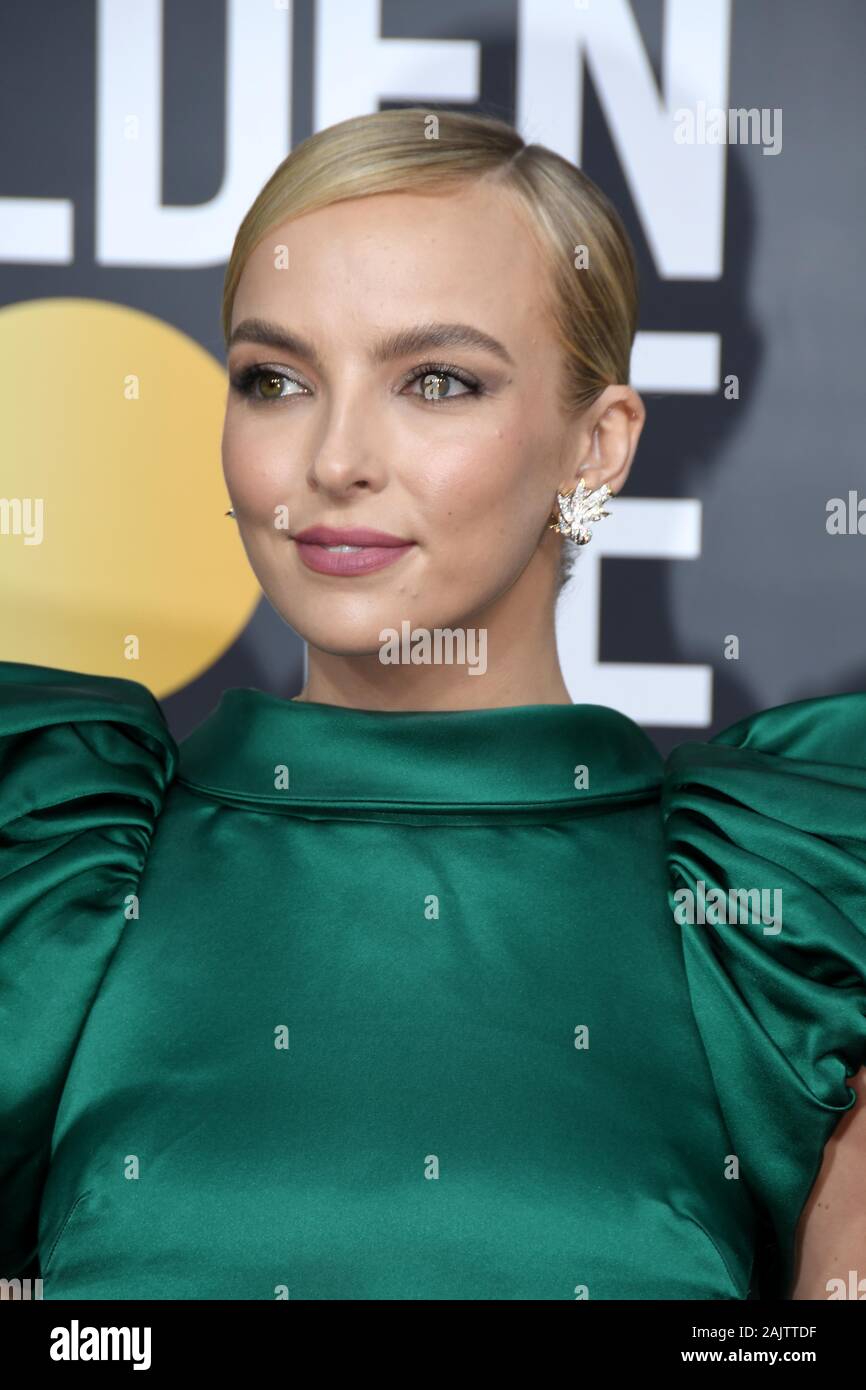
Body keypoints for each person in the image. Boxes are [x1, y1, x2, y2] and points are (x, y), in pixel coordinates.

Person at [1, 108, 864, 1302]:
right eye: (276, 379)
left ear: (595, 449)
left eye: (436, 380)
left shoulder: (780, 913)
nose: (334, 458)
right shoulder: (46, 858)